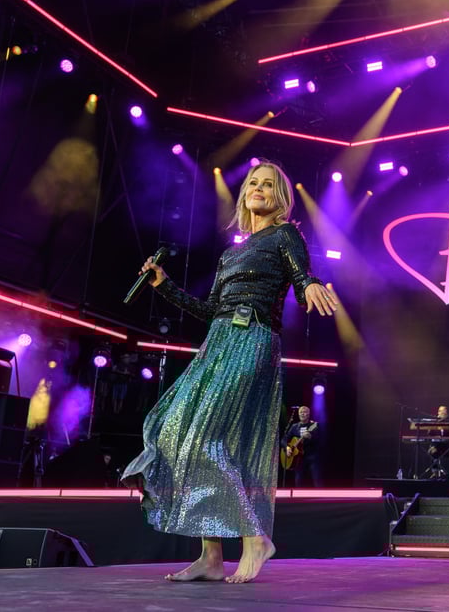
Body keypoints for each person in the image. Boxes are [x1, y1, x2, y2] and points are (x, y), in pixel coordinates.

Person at [121, 159, 339, 583]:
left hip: (252, 340)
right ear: (243, 194)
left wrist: (309, 283)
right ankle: (211, 555)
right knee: (175, 432)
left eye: (268, 185)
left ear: (281, 198)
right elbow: (210, 310)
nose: (259, 188)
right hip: (217, 343)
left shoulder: (284, 235)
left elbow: (301, 276)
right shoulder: (231, 253)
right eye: (253, 183)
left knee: (206, 440)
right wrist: (164, 286)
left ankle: (255, 538)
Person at [282, 405, 321, 488]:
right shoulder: (294, 426)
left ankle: (320, 495)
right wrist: (287, 448)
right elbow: (284, 439)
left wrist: (311, 437)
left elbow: (319, 438)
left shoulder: (313, 425)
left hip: (311, 456)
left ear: (309, 414)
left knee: (317, 479)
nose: (302, 414)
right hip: (298, 458)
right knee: (298, 480)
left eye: (305, 412)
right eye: (301, 412)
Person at [427, 405, 449, 480]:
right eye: (441, 411)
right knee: (432, 450)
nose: (442, 413)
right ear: (438, 412)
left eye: (444, 412)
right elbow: (429, 434)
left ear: (446, 414)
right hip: (437, 446)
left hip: (447, 446)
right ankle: (435, 472)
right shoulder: (434, 422)